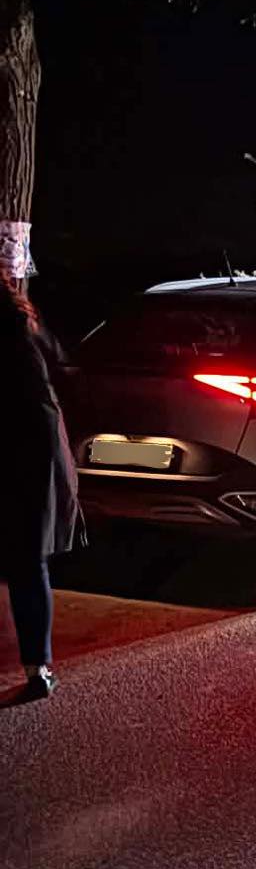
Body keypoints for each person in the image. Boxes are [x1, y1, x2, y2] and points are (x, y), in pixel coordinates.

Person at [1, 281, 83, 699]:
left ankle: (39, 667)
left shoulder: (16, 324)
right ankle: (39, 668)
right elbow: (64, 369)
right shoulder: (24, 318)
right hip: (37, 446)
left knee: (26, 560)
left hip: (23, 449)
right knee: (28, 561)